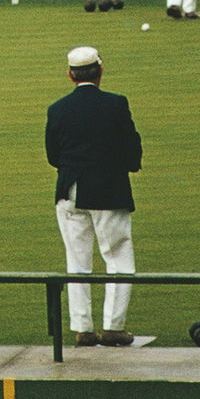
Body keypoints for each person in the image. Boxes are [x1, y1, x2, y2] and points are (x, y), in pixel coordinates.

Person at [45, 44, 142, 347]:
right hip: (108, 189)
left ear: (70, 75)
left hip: (69, 189)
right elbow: (131, 147)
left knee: (77, 262)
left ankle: (83, 328)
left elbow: (53, 155)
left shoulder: (57, 108)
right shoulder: (116, 104)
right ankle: (113, 326)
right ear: (100, 70)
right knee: (118, 258)